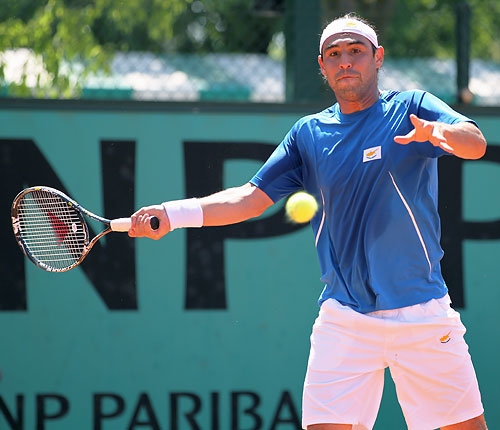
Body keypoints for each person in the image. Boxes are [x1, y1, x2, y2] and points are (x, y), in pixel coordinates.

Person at [128, 13, 488, 430]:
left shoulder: (411, 108)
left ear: (378, 57)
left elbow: (475, 143)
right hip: (345, 320)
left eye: (356, 51)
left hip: (421, 313)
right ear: (322, 65)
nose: (345, 61)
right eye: (334, 54)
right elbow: (248, 198)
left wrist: (440, 134)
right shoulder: (308, 134)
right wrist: (172, 214)